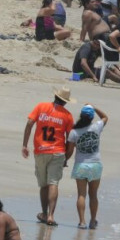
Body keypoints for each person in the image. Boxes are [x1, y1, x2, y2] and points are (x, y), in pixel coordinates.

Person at [22, 87, 75, 226]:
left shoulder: (41, 106)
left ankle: (44, 213)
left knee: (43, 184)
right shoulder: (68, 115)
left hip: (40, 151)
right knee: (53, 183)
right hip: (57, 152)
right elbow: (71, 139)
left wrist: (24, 145)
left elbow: (29, 123)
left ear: (55, 97)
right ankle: (51, 215)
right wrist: (66, 158)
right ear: (65, 102)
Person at [65, 104, 108, 230]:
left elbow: (70, 150)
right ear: (91, 117)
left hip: (81, 165)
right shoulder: (97, 127)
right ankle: (93, 221)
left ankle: (82, 222)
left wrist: (65, 160)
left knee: (81, 195)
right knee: (93, 194)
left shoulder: (74, 131)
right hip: (95, 164)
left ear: (81, 115)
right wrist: (94, 107)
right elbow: (105, 117)